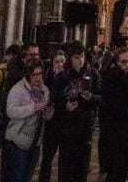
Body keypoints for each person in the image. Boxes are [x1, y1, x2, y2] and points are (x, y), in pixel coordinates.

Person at [50, 40, 100, 182]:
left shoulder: (93, 73)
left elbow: (102, 97)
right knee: (65, 166)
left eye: (82, 56)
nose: (80, 60)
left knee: (82, 167)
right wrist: (64, 106)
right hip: (67, 126)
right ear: (70, 58)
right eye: (76, 57)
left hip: (85, 126)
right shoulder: (62, 76)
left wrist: (92, 97)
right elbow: (54, 98)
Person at [98, 47, 128, 182]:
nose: (126, 65)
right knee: (116, 172)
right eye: (123, 62)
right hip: (116, 133)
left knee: (123, 171)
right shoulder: (110, 78)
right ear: (117, 62)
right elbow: (107, 106)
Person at [3, 57, 51, 182]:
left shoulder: (45, 91)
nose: (38, 78)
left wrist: (49, 112)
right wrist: (33, 108)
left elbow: (46, 117)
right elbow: (11, 111)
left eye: (40, 74)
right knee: (15, 177)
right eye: (34, 75)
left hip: (35, 142)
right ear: (28, 75)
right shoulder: (18, 89)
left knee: (27, 176)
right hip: (18, 141)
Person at [38, 51, 66, 182]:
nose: (60, 64)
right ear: (52, 62)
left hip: (65, 122)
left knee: (64, 160)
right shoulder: (47, 76)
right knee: (47, 158)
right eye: (57, 61)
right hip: (51, 123)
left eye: (62, 61)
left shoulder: (68, 76)